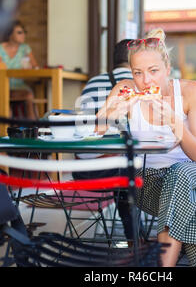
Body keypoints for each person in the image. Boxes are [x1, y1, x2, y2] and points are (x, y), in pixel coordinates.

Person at [97, 28, 196, 267]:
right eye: (138, 73)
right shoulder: (126, 88)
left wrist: (175, 123)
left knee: (181, 173)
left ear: (167, 67)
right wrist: (110, 114)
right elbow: (95, 131)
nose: (146, 81)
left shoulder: (190, 91)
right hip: (148, 183)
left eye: (153, 71)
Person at [75, 39, 144, 244]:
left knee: (123, 166)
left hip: (85, 171)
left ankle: (135, 235)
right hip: (122, 170)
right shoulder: (139, 83)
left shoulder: (93, 82)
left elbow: (83, 130)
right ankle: (136, 236)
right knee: (130, 166)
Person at [0, 20, 39, 119]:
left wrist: (31, 68)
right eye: (19, 32)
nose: (23, 35)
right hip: (2, 85)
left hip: (19, 86)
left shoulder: (25, 48)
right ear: (10, 34)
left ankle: (34, 130)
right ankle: (6, 130)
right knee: (1, 95)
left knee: (29, 95)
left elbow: (36, 67)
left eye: (24, 32)